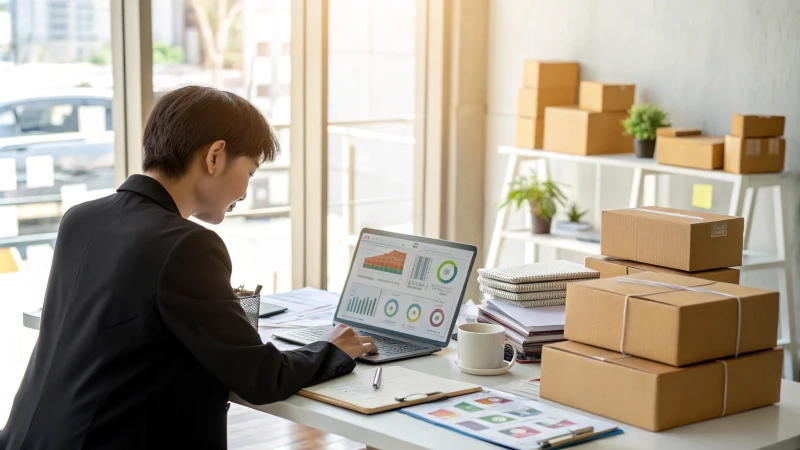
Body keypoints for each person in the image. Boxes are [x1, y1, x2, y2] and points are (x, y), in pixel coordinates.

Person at [0, 86, 378, 449]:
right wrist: (330, 348)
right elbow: (260, 377)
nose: (245, 192)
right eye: (249, 172)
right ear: (214, 156)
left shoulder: (81, 219)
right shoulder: (186, 244)